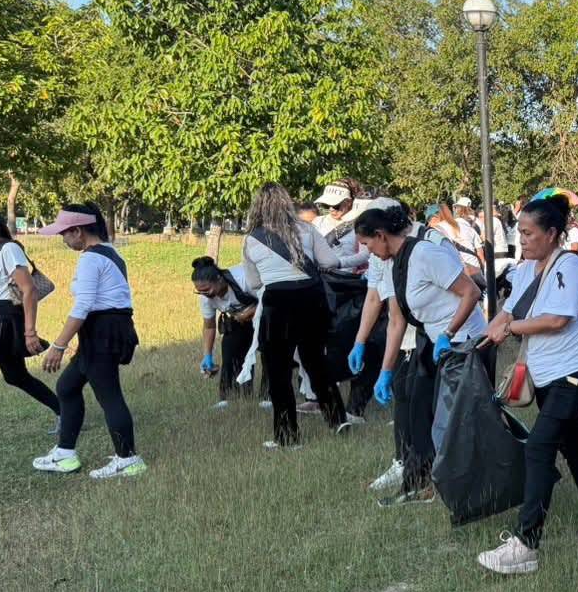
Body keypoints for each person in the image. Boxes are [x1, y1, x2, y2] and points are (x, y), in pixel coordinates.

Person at [478, 193, 578, 575]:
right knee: (575, 444)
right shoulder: (526, 269)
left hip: (574, 371)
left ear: (552, 233)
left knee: (540, 447)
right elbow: (506, 313)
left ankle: (526, 545)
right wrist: (473, 340)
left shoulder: (569, 267)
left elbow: (557, 320)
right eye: (519, 232)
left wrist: (509, 328)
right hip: (547, 371)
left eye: (528, 233)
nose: (521, 239)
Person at [353, 205, 487, 506]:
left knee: (449, 420)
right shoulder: (391, 264)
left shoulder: (426, 254)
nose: (367, 252)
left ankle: (460, 489)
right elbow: (397, 322)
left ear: (381, 235)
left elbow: (471, 293)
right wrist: (385, 372)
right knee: (415, 408)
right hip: (431, 339)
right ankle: (417, 485)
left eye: (367, 244)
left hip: (463, 340)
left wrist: (448, 334)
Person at [33, 205, 146, 479]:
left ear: (78, 231)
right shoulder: (110, 253)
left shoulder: (91, 259)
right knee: (67, 387)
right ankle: (65, 453)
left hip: (102, 332)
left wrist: (58, 346)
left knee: (109, 396)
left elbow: (83, 305)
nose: (63, 239)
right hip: (105, 329)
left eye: (64, 234)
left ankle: (128, 459)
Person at [243, 183, 351, 448]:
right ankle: (338, 419)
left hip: (278, 303)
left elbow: (254, 283)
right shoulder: (308, 229)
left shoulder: (251, 239)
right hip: (312, 299)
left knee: (279, 371)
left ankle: (287, 436)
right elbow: (328, 263)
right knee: (315, 361)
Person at [0, 205, 60, 459]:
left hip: (3, 322)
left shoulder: (8, 249)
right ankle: (66, 412)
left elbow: (28, 290)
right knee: (16, 376)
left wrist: (30, 332)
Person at [191, 256, 259, 408]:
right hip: (238, 321)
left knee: (270, 354)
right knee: (230, 352)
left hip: (265, 315)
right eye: (199, 291)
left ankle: (268, 397)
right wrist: (207, 355)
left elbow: (268, 298)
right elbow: (209, 326)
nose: (205, 294)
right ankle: (229, 399)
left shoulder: (244, 278)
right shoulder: (205, 298)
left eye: (207, 289)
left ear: (219, 279)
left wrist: (248, 313)